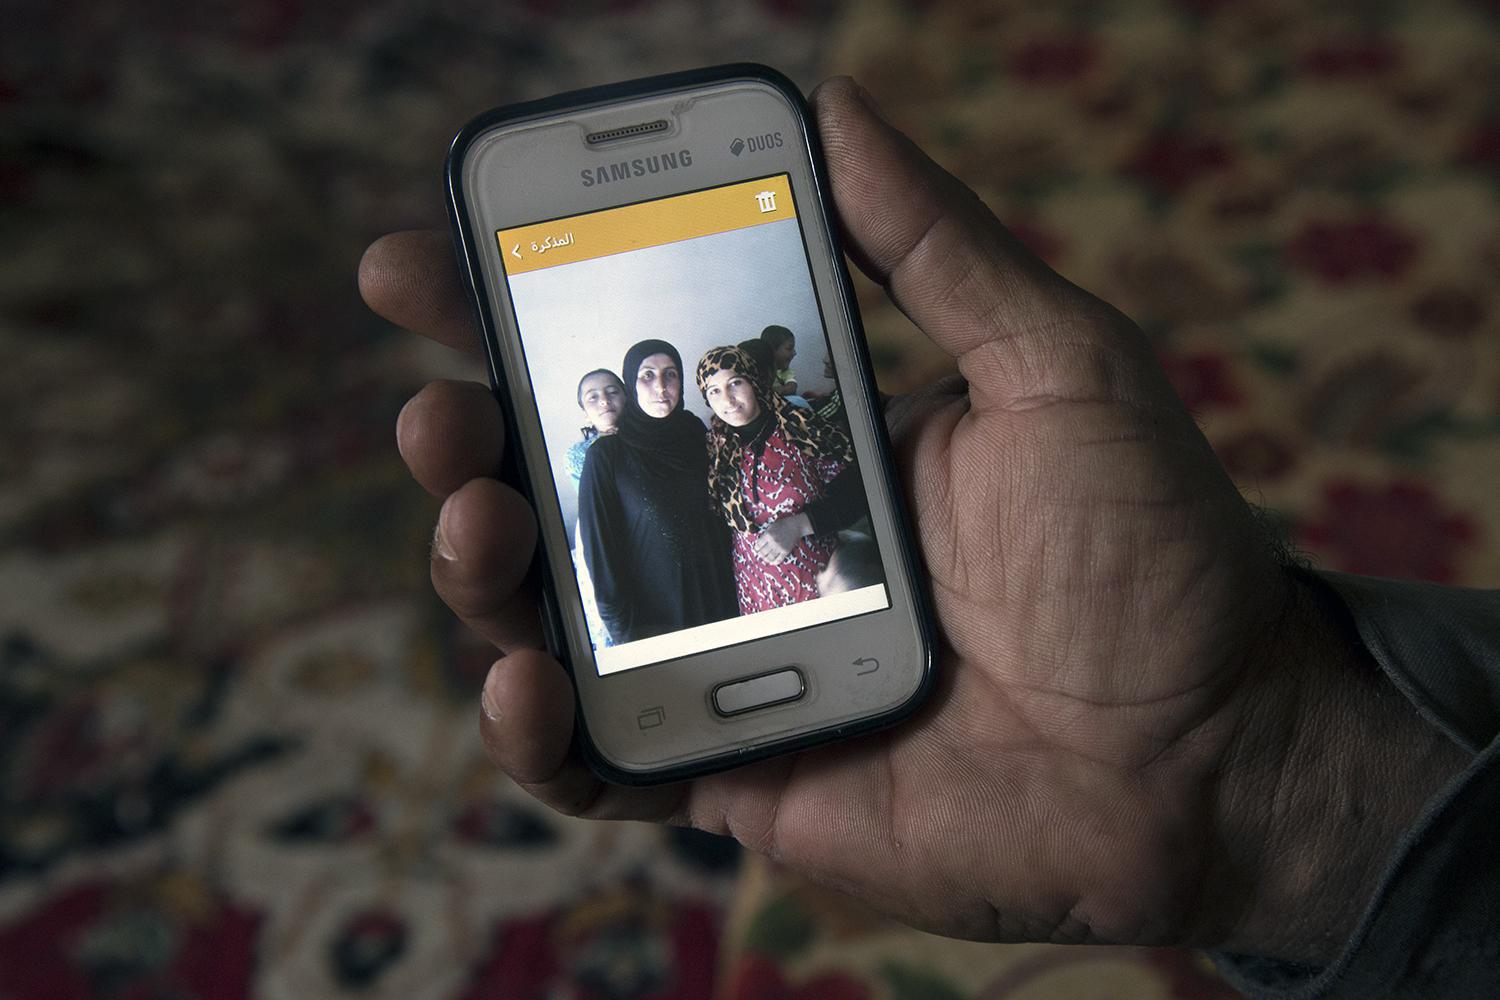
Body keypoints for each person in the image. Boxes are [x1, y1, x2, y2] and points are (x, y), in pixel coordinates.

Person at [362, 78, 1499, 999]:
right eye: (640, 379)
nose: (662, 388)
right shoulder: (619, 457)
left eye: (677, 372)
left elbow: (797, 504)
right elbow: (606, 551)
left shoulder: (756, 433)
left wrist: (1252, 749)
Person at [573, 339, 737, 645]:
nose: (661, 387)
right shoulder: (607, 456)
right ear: (630, 383)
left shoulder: (696, 433)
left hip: (722, 597)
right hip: (659, 620)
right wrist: (628, 637)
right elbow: (601, 555)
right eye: (647, 375)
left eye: (670, 374)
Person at [696, 344, 869, 613]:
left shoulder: (798, 427)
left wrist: (801, 524)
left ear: (753, 381)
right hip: (755, 596)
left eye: (735, 383)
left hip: (818, 588)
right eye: (714, 391)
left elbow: (861, 491)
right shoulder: (716, 445)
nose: (727, 400)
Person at [564, 369, 625, 650]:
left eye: (612, 391)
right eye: (593, 397)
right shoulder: (579, 455)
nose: (604, 401)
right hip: (602, 532)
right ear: (585, 412)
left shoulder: (650, 438)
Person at [759, 324, 800, 397]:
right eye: (789, 348)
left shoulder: (784, 370)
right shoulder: (760, 371)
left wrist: (779, 391)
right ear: (772, 350)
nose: (794, 353)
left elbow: (792, 386)